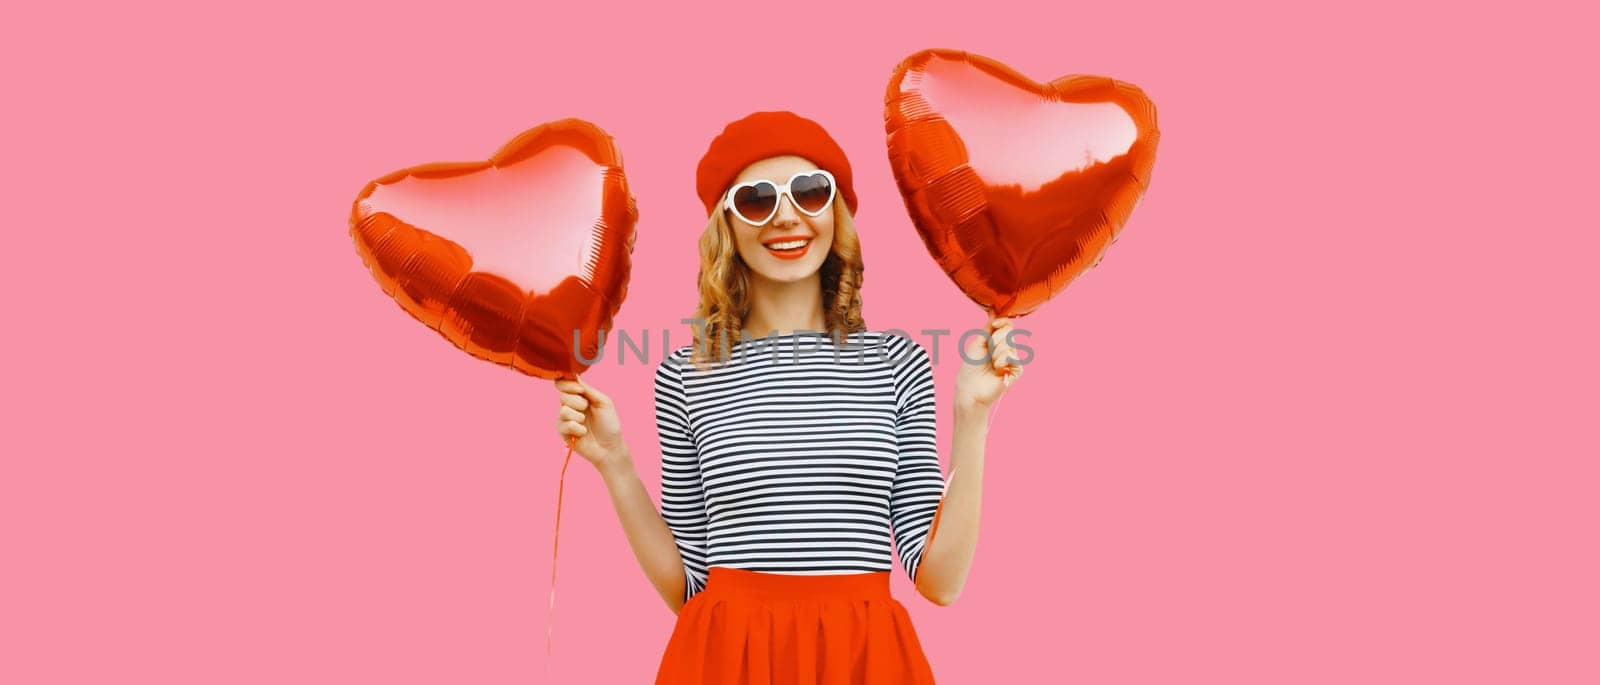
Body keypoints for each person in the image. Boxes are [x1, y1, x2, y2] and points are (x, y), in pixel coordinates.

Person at [552, 111, 1020, 684]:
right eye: (756, 200)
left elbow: (940, 580)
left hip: (863, 658)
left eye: (809, 192)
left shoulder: (896, 362)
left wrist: (972, 420)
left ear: (836, 213)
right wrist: (615, 463)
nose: (786, 217)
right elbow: (690, 588)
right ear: (726, 223)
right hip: (729, 657)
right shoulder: (684, 375)